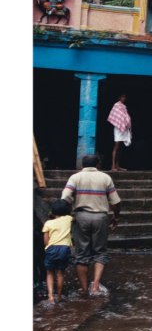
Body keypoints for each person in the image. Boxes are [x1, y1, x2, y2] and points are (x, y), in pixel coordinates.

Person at [61, 154, 121, 296]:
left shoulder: (75, 178)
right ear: (98, 164)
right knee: (100, 252)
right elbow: (116, 202)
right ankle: (95, 287)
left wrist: (69, 214)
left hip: (81, 216)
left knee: (81, 254)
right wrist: (116, 217)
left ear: (83, 165)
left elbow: (65, 198)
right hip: (101, 217)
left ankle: (83, 289)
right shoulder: (105, 178)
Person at [42, 199, 73, 303]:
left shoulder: (48, 223)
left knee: (49, 273)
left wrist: (48, 249)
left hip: (52, 248)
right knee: (60, 273)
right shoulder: (69, 219)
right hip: (64, 248)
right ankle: (59, 296)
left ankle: (50, 296)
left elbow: (46, 240)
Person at [107, 93, 131, 171]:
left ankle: (117, 165)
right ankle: (113, 166)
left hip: (123, 128)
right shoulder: (116, 105)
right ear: (119, 97)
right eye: (122, 97)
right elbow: (115, 116)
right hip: (118, 127)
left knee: (120, 148)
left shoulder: (124, 107)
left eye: (125, 97)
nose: (124, 98)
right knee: (116, 147)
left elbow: (126, 116)